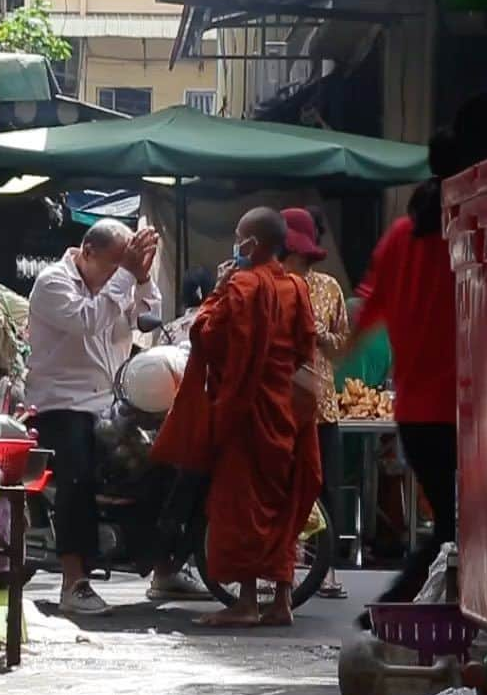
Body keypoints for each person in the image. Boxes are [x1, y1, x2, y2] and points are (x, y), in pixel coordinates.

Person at [153, 208, 317, 628]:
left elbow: (204, 335)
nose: (235, 244)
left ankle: (246, 600)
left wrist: (218, 289)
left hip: (246, 412)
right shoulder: (297, 288)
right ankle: (281, 600)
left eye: (238, 237)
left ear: (252, 244)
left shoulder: (241, 286)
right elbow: (303, 350)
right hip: (285, 411)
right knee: (280, 506)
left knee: (240, 506)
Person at [28, 219, 198, 617]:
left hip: (111, 402)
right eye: (114, 266)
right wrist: (126, 276)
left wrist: (141, 279)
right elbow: (88, 321)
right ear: (87, 252)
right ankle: (74, 581)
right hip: (60, 404)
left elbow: (144, 320)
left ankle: (164, 566)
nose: (117, 276)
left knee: (166, 462)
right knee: (78, 475)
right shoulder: (53, 283)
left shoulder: (118, 283)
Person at [350, 128, 461, 609]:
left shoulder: (402, 234)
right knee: (460, 526)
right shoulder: (473, 224)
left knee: (452, 523)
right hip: (466, 408)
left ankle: (408, 607)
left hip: (416, 411)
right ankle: (394, 607)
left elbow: (371, 305)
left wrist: (339, 357)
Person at [280, 206, 349, 599]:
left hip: (322, 404)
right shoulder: (271, 284)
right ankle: (287, 564)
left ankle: (328, 569)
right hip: (281, 404)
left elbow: (343, 344)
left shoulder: (329, 288)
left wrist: (322, 335)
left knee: (326, 487)